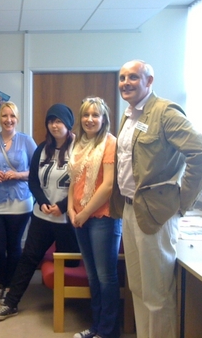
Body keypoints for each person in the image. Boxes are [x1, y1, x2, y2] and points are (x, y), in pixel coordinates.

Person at [110, 60, 202, 338]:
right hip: (130, 210)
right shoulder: (129, 114)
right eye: (122, 78)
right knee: (139, 289)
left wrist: (181, 203)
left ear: (149, 81)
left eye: (133, 77)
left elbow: (201, 156)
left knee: (157, 295)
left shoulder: (165, 113)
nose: (126, 83)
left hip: (156, 213)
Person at [0, 103, 80, 321]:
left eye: (58, 121)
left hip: (66, 218)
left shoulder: (79, 149)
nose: (54, 125)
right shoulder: (42, 148)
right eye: (50, 121)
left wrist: (61, 205)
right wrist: (41, 202)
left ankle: (73, 303)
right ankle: (11, 304)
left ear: (68, 123)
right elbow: (33, 180)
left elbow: (82, 184)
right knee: (29, 258)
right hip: (42, 216)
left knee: (71, 262)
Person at [68, 97, 121, 338]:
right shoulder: (78, 143)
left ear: (104, 118)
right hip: (79, 217)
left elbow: (109, 185)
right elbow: (73, 180)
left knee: (105, 277)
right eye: (86, 115)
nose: (90, 119)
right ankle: (96, 326)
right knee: (92, 276)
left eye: (95, 115)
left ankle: (108, 331)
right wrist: (71, 209)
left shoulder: (110, 143)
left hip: (102, 217)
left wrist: (85, 212)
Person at [0, 101, 37, 305]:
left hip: (20, 200)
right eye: (4, 116)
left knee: (13, 246)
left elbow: (38, 170)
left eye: (12, 116)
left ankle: (10, 285)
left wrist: (19, 174)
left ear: (17, 118)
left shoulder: (27, 141)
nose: (8, 120)